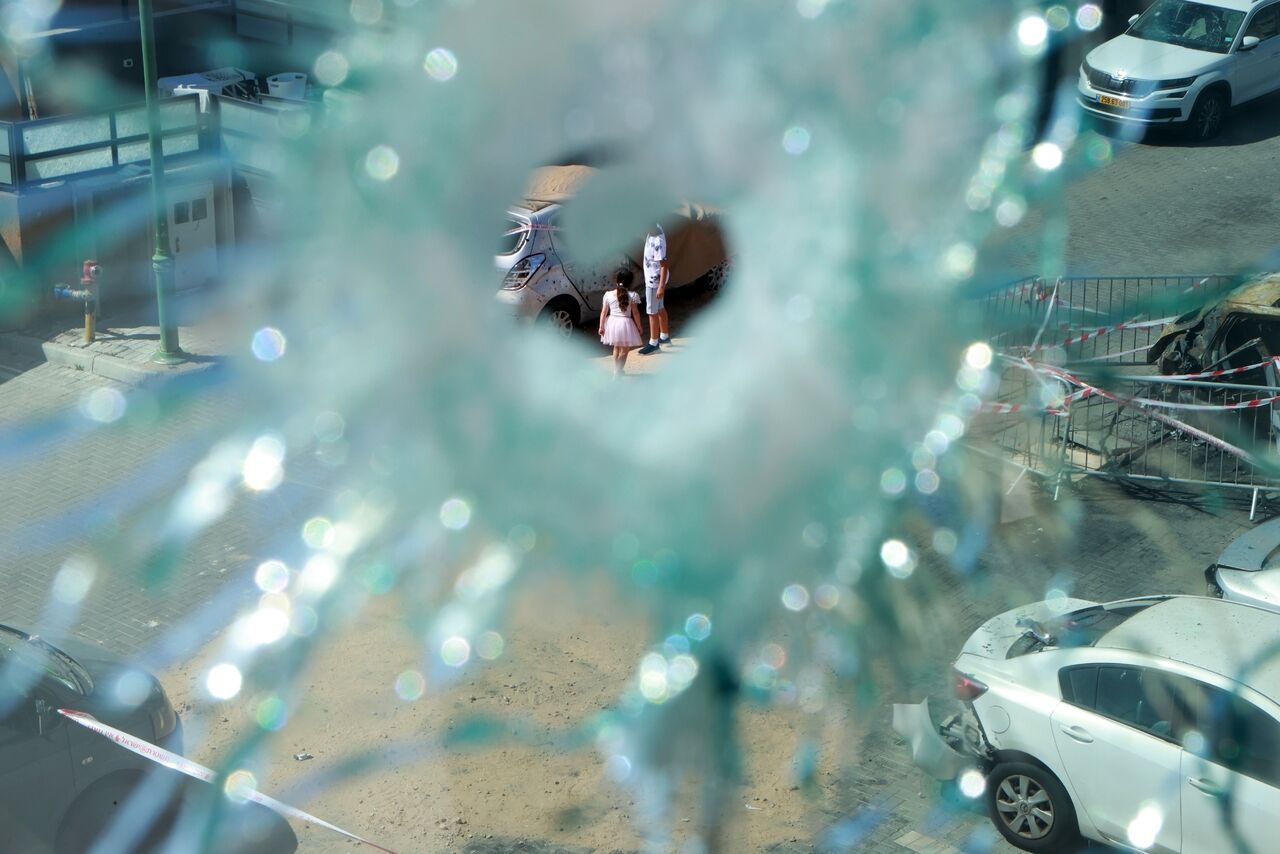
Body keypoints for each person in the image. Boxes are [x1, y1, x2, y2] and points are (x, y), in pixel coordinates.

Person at [598, 268, 644, 376]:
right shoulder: (633, 295)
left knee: (616, 348)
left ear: (617, 280)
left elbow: (603, 312)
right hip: (625, 324)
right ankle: (618, 371)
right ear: (630, 282)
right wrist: (639, 326)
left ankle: (616, 370)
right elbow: (635, 313)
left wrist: (601, 326)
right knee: (625, 350)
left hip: (612, 323)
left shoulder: (608, 295)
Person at [638, 224, 671, 354]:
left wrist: (661, 287)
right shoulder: (656, 228)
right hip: (655, 278)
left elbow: (664, 265)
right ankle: (664, 336)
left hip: (654, 282)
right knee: (660, 308)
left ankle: (654, 343)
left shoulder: (658, 242)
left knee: (652, 312)